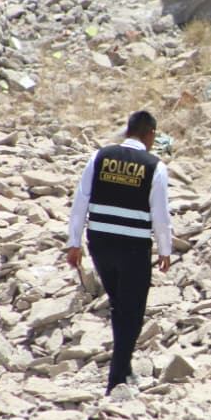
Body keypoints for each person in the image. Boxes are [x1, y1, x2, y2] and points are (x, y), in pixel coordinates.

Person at [67, 111, 173, 394]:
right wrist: (165, 249)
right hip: (133, 247)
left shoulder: (100, 157)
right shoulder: (154, 166)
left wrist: (73, 242)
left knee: (118, 305)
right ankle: (116, 378)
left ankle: (123, 366)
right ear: (150, 134)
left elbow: (81, 200)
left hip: (100, 243)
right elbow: (160, 214)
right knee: (133, 311)